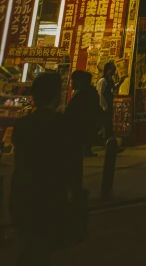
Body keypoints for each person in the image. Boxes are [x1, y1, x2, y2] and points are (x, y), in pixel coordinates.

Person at [11, 73, 80, 266]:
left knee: (32, 247)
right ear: (57, 94)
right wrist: (74, 194)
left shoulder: (23, 124)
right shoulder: (63, 125)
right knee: (39, 250)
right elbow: (72, 165)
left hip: (22, 194)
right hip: (49, 196)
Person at [65, 70, 102, 158]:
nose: (71, 83)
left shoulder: (83, 94)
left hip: (82, 124)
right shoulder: (88, 92)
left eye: (73, 80)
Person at [96, 61, 123, 142]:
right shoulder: (103, 81)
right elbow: (100, 94)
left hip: (109, 105)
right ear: (108, 70)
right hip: (104, 106)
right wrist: (104, 107)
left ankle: (109, 143)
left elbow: (112, 88)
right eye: (112, 69)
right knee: (105, 125)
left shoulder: (110, 80)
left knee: (108, 125)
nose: (114, 72)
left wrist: (120, 83)